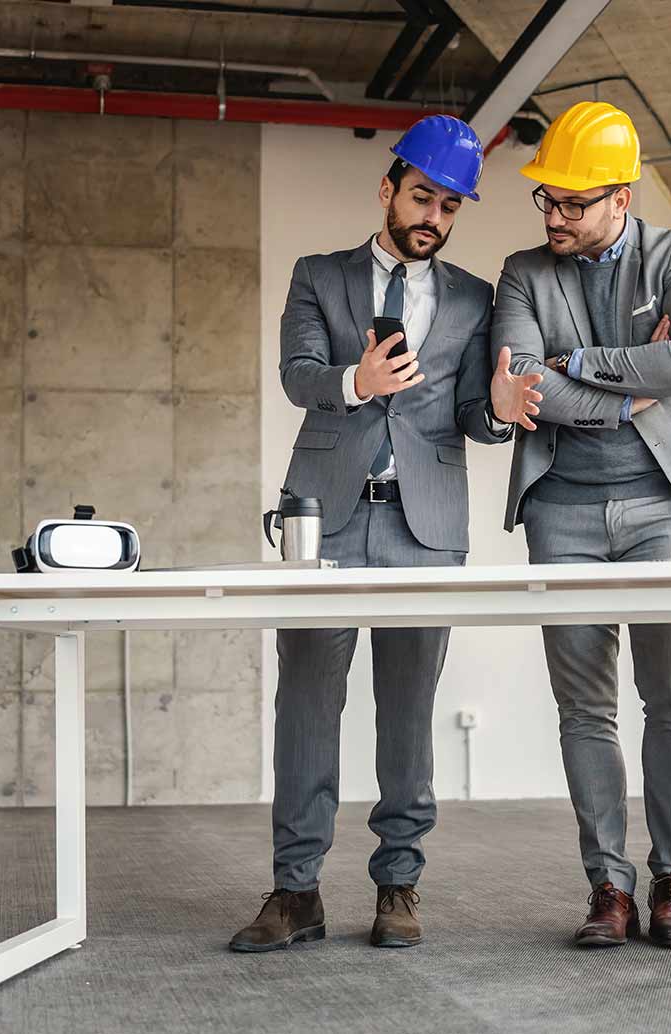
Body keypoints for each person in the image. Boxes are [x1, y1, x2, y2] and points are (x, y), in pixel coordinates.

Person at [230, 115, 543, 953]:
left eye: (447, 206)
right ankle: (295, 892)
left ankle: (397, 885)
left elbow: (475, 416)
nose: (431, 218)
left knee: (406, 715)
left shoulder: (476, 299)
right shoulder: (319, 276)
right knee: (305, 708)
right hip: (325, 519)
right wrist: (354, 381)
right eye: (420, 197)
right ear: (387, 189)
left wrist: (503, 414)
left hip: (425, 528)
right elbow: (299, 377)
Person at [489, 101, 671, 949]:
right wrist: (633, 388)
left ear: (619, 200)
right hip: (561, 509)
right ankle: (608, 887)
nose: (553, 216)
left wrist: (580, 366)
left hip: (668, 501)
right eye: (546, 200)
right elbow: (521, 384)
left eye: (572, 204)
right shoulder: (522, 272)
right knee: (583, 705)